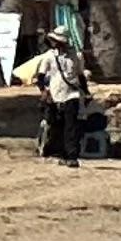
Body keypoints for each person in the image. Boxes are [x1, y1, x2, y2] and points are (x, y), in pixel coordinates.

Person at [34, 34, 88, 162]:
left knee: (71, 126)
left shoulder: (76, 56)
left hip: (72, 94)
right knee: (57, 125)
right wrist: (44, 91)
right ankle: (59, 153)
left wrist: (86, 92)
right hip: (55, 95)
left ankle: (72, 156)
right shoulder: (49, 56)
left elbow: (80, 76)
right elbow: (40, 77)